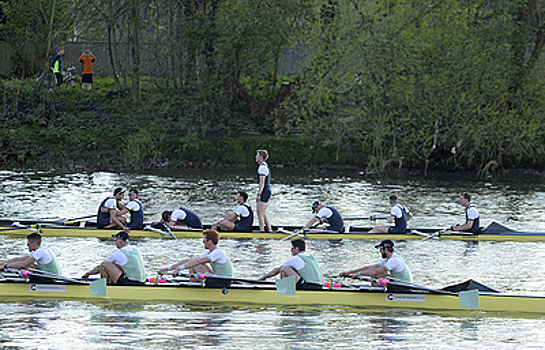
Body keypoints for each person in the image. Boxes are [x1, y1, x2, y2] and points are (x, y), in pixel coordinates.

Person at [157, 229, 232, 288]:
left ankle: (193, 289)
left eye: (204, 241)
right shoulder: (211, 252)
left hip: (222, 282)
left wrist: (179, 269)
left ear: (210, 241)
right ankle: (193, 286)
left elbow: (198, 262)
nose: (203, 243)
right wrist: (167, 269)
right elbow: (191, 261)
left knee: (196, 264)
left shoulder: (218, 252)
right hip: (216, 278)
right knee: (193, 264)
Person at [81, 231, 146, 285]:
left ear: (120, 242)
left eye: (116, 240)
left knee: (104, 265)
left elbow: (100, 267)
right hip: (142, 281)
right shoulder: (135, 249)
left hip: (130, 282)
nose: (115, 242)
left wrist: (88, 274)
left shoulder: (119, 253)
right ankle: (109, 284)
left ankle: (105, 287)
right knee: (114, 264)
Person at [258, 239, 323, 290]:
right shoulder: (311, 257)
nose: (290, 250)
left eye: (292, 248)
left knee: (284, 269)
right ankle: (286, 290)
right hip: (320, 286)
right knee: (291, 269)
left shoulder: (296, 258)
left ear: (296, 249)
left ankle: (284, 292)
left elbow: (277, 270)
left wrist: (264, 278)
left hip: (309, 286)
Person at [339, 239, 412, 283]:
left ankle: (376, 295)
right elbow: (372, 267)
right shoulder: (388, 259)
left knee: (376, 274)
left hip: (404, 287)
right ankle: (376, 292)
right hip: (397, 283)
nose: (380, 252)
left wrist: (358, 274)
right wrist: (350, 272)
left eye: (381, 249)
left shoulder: (394, 260)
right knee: (376, 274)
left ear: (386, 249)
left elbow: (376, 271)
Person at [255, 149, 272, 232]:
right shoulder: (264, 166)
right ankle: (269, 229)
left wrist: (259, 194)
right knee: (262, 212)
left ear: (261, 157)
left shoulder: (262, 167)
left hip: (264, 191)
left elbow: (262, 182)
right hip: (266, 190)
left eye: (257, 155)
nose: (255, 157)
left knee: (260, 213)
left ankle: (262, 230)